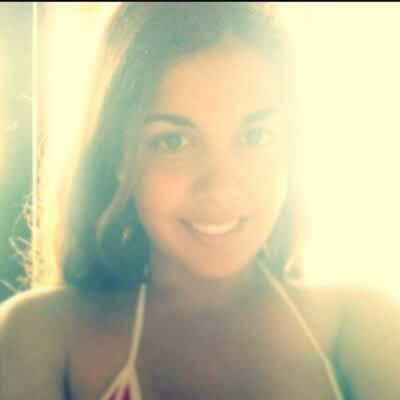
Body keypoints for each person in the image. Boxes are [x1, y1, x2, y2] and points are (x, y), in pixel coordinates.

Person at [0, 3, 399, 399]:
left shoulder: (359, 326)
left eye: (256, 136)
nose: (221, 187)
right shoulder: (42, 335)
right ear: (117, 156)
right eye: (174, 142)